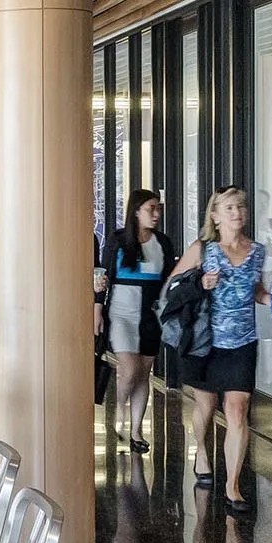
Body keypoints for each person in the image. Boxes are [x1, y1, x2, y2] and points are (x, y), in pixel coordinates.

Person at [169, 186, 272, 514]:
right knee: (205, 406)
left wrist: (271, 299)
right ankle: (201, 449)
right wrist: (199, 283)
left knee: (238, 408)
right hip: (204, 341)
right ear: (215, 216)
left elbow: (256, 290)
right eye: (228, 208)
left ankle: (233, 486)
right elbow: (172, 287)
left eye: (240, 206)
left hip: (242, 341)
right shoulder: (202, 250)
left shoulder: (257, 251)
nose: (237, 213)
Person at [97, 189, 170, 453]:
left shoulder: (162, 242)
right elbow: (101, 277)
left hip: (151, 317)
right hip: (121, 314)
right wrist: (96, 310)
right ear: (136, 210)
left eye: (158, 208)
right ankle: (118, 411)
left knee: (143, 373)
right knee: (128, 369)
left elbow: (169, 281)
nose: (156, 214)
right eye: (151, 208)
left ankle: (136, 430)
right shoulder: (118, 241)